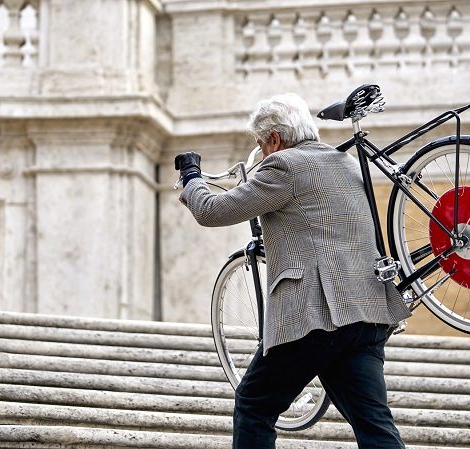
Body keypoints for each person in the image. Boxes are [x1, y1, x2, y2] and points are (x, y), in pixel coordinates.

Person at [174, 93, 411, 449]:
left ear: (274, 140)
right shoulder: (344, 163)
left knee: (254, 405)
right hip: (367, 314)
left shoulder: (283, 166)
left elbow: (212, 211)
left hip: (316, 316)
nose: (262, 151)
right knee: (374, 425)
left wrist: (191, 177)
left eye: (260, 143)